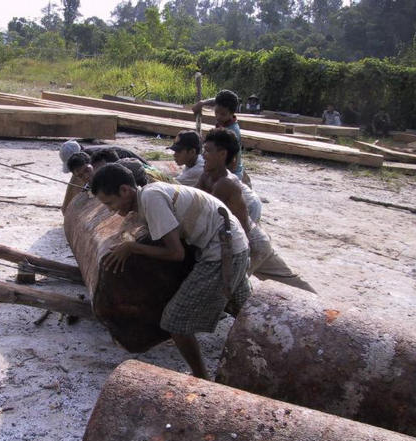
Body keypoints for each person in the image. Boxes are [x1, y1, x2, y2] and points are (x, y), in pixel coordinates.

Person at [91, 163, 251, 379]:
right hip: (232, 243)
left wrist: (132, 247)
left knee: (174, 322)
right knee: (246, 311)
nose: (110, 210)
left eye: (110, 203)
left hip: (223, 252)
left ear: (125, 190)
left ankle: (201, 378)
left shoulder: (151, 198)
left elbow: (176, 254)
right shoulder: (148, 196)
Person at [197, 128, 316, 294]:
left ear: (223, 154)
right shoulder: (206, 176)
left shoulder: (225, 183)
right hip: (251, 239)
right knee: (288, 279)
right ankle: (316, 301)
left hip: (250, 243)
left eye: (208, 150)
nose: (203, 155)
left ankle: (322, 307)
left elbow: (204, 216)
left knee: (227, 289)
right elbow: (196, 203)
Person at [192, 89, 250, 186]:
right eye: (216, 112)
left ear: (232, 113)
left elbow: (232, 163)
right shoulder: (223, 116)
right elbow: (217, 101)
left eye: (223, 114)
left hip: (231, 171)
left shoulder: (231, 132)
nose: (218, 117)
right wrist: (202, 103)